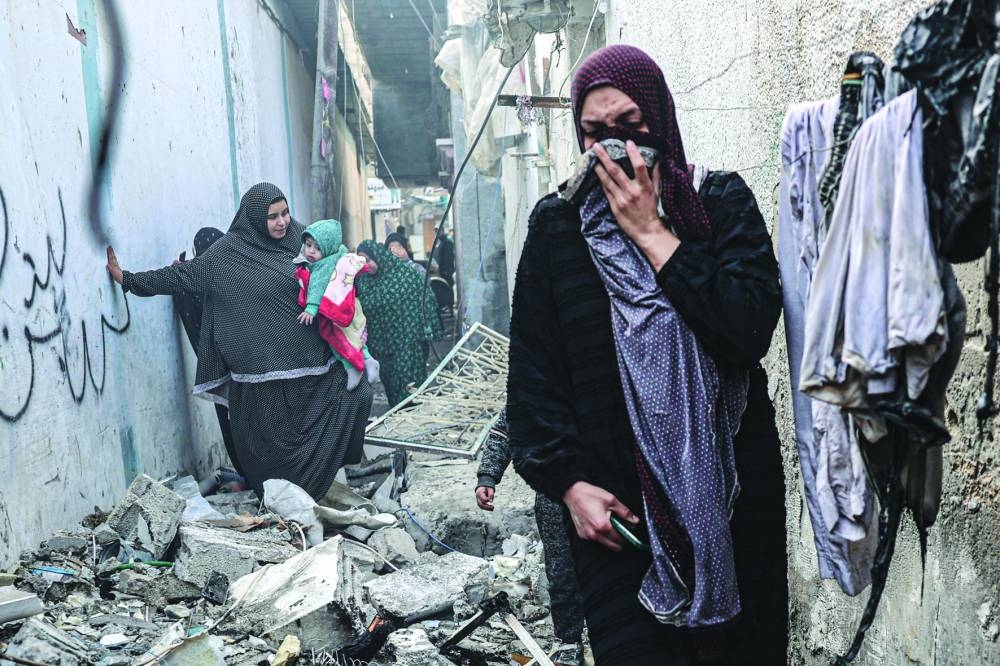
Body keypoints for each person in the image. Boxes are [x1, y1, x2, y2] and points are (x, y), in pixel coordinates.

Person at [507, 45, 787, 665]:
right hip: (619, 522)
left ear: (660, 120)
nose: (613, 152)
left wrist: (655, 234)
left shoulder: (717, 205)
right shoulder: (557, 229)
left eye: (632, 130)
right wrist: (571, 486)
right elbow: (533, 381)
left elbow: (747, 330)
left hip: (735, 509)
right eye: (594, 134)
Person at [106, 183, 374, 500]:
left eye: (285, 213)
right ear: (255, 217)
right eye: (272, 216)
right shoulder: (227, 254)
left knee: (357, 395)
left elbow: (337, 261)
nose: (282, 222)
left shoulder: (303, 240)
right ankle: (282, 500)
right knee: (269, 451)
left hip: (314, 371)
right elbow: (181, 277)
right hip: (261, 381)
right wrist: (130, 279)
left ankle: (312, 491)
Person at [475, 409, 586, 665]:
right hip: (554, 493)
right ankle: (569, 642)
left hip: (608, 488)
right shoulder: (538, 380)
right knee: (561, 571)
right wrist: (488, 477)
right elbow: (505, 429)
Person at [295, 219, 380, 391]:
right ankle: (369, 361)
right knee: (354, 339)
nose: (311, 251)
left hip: (336, 312)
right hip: (349, 306)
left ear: (327, 249)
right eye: (308, 244)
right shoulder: (338, 254)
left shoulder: (323, 265)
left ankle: (353, 368)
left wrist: (311, 309)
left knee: (337, 342)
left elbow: (318, 286)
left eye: (318, 248)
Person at [355, 240, 442, 407]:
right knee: (392, 388)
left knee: (410, 387)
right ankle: (400, 425)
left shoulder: (406, 275)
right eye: (360, 262)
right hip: (381, 346)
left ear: (378, 257)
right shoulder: (363, 281)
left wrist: (429, 331)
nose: (364, 266)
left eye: (367, 260)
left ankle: (417, 423)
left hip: (408, 343)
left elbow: (426, 300)